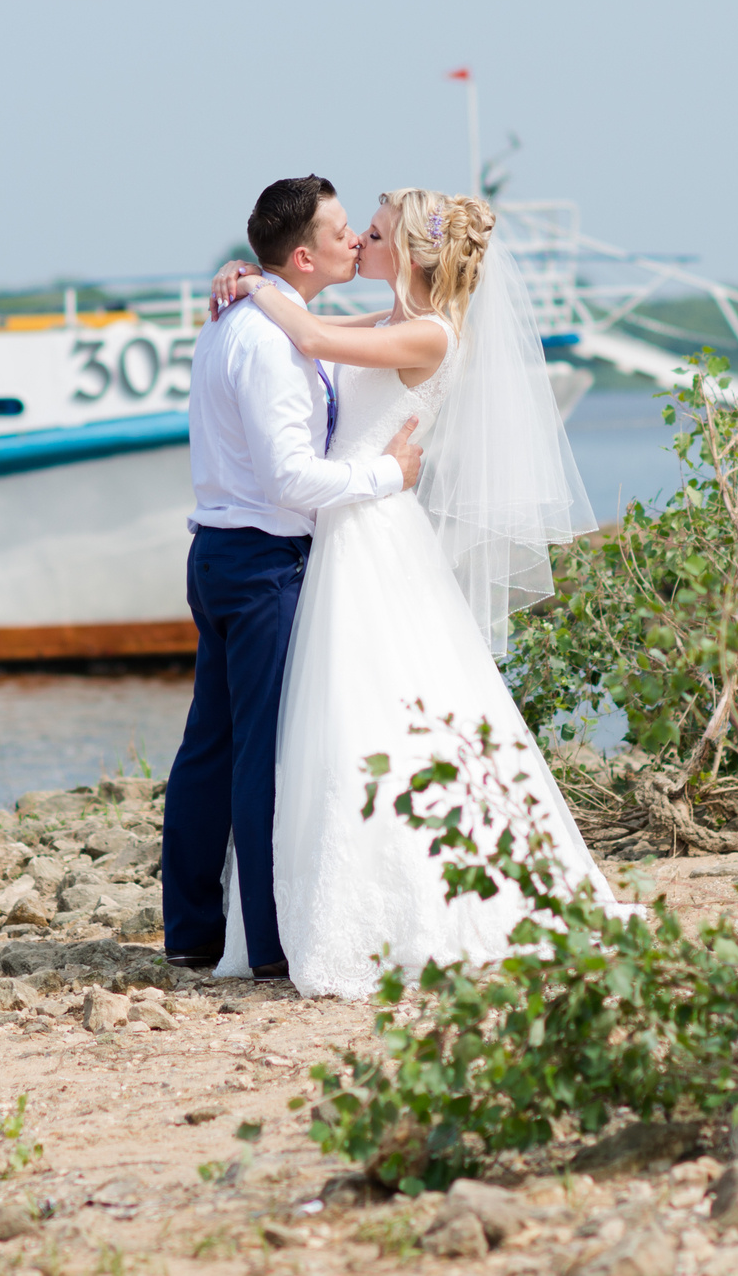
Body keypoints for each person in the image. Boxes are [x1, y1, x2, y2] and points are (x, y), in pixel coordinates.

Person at [204, 187, 628, 997]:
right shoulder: (393, 323)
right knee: (348, 712)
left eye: (373, 231)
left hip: (373, 535)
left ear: (408, 250)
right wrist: (255, 276)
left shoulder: (429, 333)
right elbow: (324, 336)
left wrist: (259, 283)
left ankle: (402, 903)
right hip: (354, 532)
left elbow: (310, 332)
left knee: (374, 706)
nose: (359, 239)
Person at [162, 176, 424, 981]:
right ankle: (268, 940)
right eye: (344, 232)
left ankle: (193, 928)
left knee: (210, 742)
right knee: (260, 751)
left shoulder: (250, 318)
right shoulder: (272, 340)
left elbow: (338, 333)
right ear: (304, 254)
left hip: (218, 554)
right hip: (261, 560)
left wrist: (248, 280)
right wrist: (386, 476)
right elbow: (288, 480)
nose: (355, 242)